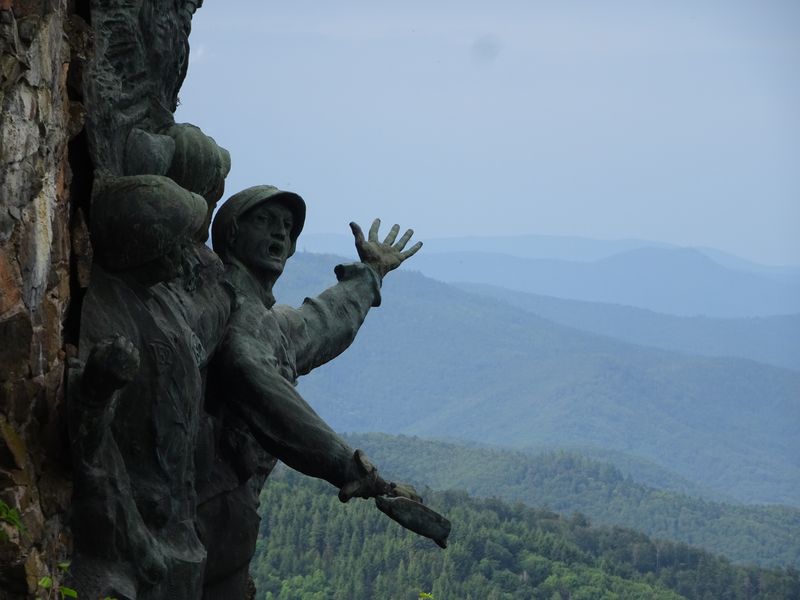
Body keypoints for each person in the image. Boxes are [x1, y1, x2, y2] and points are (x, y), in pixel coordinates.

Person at [197, 185, 422, 598]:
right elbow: (260, 387)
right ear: (230, 235)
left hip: (228, 508)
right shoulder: (232, 312)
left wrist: (370, 275)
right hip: (209, 508)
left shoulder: (265, 320)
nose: (280, 235)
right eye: (264, 222)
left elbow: (320, 323)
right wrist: (350, 466)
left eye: (287, 227)